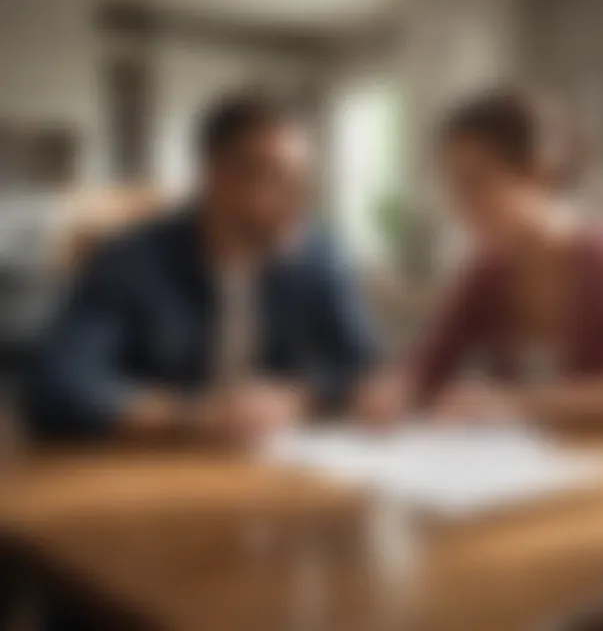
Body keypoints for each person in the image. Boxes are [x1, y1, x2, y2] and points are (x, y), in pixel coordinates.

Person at [28, 92, 376, 443]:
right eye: (275, 176)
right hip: (154, 471)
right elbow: (58, 387)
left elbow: (363, 367)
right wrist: (192, 415)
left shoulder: (319, 256)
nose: (297, 197)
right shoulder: (128, 261)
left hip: (279, 468)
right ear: (215, 175)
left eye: (300, 178)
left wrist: (297, 398)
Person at [358, 88, 603, 429]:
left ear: (538, 174)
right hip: (531, 468)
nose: (459, 204)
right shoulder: (486, 272)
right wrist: (395, 389)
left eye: (475, 182)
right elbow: (427, 366)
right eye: (453, 185)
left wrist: (517, 403)